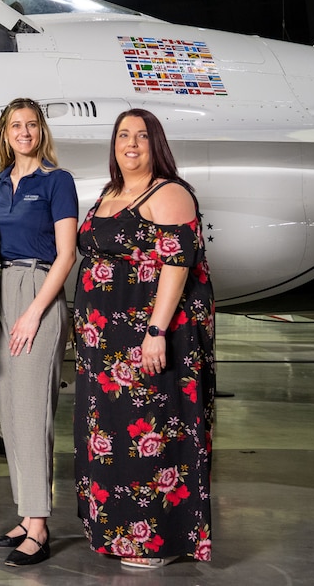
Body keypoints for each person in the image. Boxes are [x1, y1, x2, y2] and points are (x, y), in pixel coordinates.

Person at [73, 108, 215, 569]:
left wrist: (155, 331)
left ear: (156, 144)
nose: (130, 144)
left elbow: (177, 265)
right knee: (112, 434)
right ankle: (117, 533)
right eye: (122, 135)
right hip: (104, 344)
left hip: (148, 335)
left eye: (141, 136)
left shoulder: (170, 192)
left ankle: (156, 541)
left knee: (151, 431)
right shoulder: (111, 192)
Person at [0, 98, 78, 567]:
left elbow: (67, 254)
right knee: (10, 411)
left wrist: (34, 312)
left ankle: (38, 525)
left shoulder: (58, 181)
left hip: (38, 288)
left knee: (33, 410)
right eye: (16, 125)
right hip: (1, 291)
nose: (24, 132)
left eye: (32, 125)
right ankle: (25, 514)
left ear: (41, 131)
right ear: (5, 133)